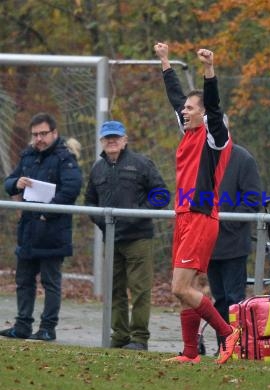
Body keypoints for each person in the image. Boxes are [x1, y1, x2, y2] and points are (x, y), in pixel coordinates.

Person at [154, 42, 238, 364]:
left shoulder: (214, 135)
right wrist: (164, 62)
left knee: (180, 287)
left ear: (203, 114)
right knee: (190, 289)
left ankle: (228, 334)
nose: (184, 111)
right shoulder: (188, 130)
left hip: (201, 216)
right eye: (185, 109)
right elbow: (175, 96)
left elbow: (214, 106)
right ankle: (190, 353)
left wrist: (209, 69)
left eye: (191, 108)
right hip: (184, 215)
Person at [84, 120, 169, 351]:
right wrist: (102, 222)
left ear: (125, 140)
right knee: (114, 291)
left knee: (140, 290)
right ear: (101, 141)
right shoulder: (97, 169)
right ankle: (120, 335)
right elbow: (89, 202)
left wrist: (138, 214)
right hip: (110, 239)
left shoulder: (141, 164)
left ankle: (139, 337)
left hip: (139, 238)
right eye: (107, 137)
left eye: (116, 137)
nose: (112, 141)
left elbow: (161, 194)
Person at [1, 112, 82, 341]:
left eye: (43, 134)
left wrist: (48, 211)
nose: (39, 138)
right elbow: (8, 183)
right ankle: (22, 325)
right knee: (23, 281)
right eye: (35, 134)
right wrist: (16, 183)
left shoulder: (65, 158)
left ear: (54, 133)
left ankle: (47, 327)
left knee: (50, 282)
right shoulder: (27, 156)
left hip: (53, 231)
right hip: (27, 231)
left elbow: (72, 189)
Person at [207, 141, 262, 351]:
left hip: (233, 244)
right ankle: (223, 346)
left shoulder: (243, 158)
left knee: (234, 300)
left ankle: (239, 348)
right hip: (209, 243)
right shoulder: (202, 156)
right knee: (218, 300)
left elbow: (253, 199)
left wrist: (228, 223)